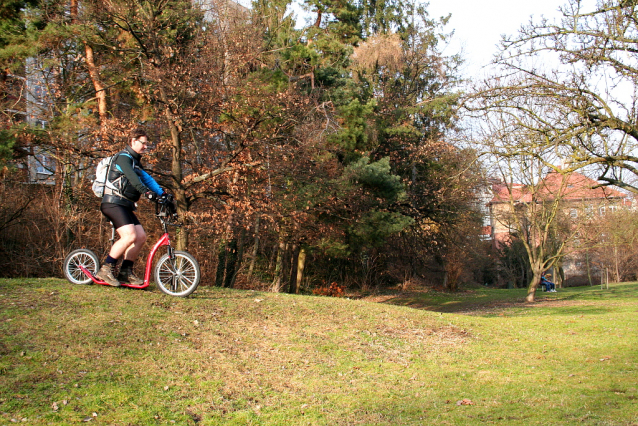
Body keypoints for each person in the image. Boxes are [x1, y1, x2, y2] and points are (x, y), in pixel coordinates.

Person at [95, 127, 166, 286]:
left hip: (124, 204)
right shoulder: (123, 158)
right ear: (133, 141)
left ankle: (125, 272)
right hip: (112, 203)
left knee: (140, 237)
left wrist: (163, 194)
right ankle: (106, 268)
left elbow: (147, 180)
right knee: (129, 236)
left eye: (147, 144)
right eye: (143, 143)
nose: (145, 147)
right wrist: (146, 193)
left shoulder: (135, 162)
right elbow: (133, 179)